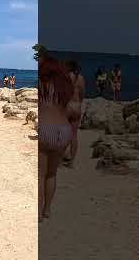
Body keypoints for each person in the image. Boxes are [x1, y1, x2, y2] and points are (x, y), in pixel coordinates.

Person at [38, 57, 74, 222]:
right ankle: (47, 210)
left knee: (40, 175)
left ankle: (38, 213)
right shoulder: (65, 86)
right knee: (52, 174)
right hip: (64, 130)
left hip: (46, 128)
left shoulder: (41, 84)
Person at [63, 60, 86, 168]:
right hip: (77, 107)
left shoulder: (66, 77)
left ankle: (58, 160)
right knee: (74, 135)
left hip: (68, 106)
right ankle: (71, 162)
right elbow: (82, 94)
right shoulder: (80, 78)